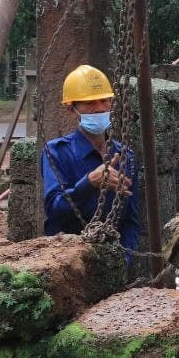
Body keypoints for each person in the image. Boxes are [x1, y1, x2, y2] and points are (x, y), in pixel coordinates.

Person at [41, 65, 141, 257]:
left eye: (104, 100)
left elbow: (130, 220)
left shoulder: (126, 156)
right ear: (71, 109)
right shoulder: (56, 152)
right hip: (66, 257)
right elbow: (54, 210)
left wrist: (124, 260)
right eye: (89, 103)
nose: (99, 108)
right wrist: (88, 183)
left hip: (113, 258)